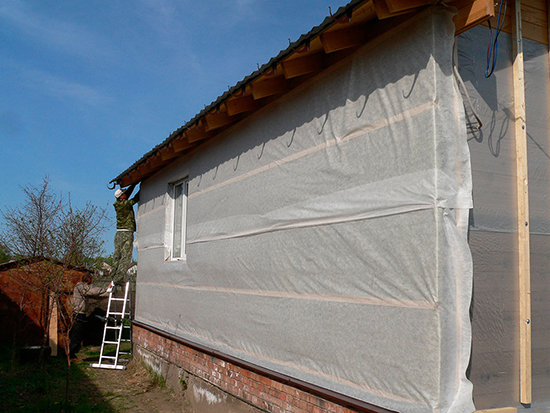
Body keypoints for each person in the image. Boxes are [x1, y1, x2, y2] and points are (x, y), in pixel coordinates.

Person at [69, 275, 113, 360]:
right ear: (88, 279)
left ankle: (72, 354)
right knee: (76, 335)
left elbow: (96, 296)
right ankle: (70, 355)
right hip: (78, 313)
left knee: (79, 334)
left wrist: (108, 293)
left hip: (82, 314)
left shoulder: (84, 288)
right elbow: (91, 291)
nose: (92, 280)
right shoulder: (80, 286)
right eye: (91, 279)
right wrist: (105, 289)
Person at [111, 184, 139, 285]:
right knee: (126, 257)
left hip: (119, 233)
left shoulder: (118, 203)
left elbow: (128, 193)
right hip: (127, 233)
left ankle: (113, 276)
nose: (126, 194)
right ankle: (116, 280)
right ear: (121, 196)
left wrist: (134, 184)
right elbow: (135, 198)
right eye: (124, 194)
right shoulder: (125, 204)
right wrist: (143, 187)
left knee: (117, 255)